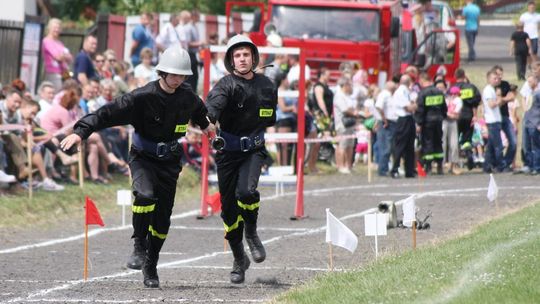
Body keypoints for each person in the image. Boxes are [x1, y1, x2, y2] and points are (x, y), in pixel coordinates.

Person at [60, 46, 213, 288]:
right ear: (161, 72)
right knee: (144, 195)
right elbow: (105, 113)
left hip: (171, 161)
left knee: (162, 221)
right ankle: (139, 245)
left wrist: (207, 128)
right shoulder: (141, 97)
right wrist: (81, 133)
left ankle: (151, 265)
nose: (178, 79)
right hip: (143, 157)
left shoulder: (188, 97)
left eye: (182, 76)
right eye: (173, 74)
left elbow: (201, 114)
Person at [205, 34, 277, 284]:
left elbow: (269, 119)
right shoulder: (225, 85)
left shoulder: (268, 86)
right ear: (231, 60)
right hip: (227, 153)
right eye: (237, 55)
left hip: (254, 151)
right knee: (228, 212)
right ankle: (239, 259)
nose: (242, 58)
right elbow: (211, 108)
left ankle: (253, 234)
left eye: (246, 54)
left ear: (254, 57)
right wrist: (209, 121)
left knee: (246, 192)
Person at [414, 74, 447, 175]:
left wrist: (418, 123)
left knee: (428, 143)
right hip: (438, 121)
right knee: (438, 142)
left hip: (427, 122)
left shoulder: (422, 93)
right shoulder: (439, 92)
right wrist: (442, 117)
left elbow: (420, 109)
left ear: (423, 81)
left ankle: (428, 166)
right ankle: (440, 167)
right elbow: (444, 107)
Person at [453, 68, 481, 170]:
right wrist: (475, 115)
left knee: (454, 139)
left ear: (455, 77)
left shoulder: (452, 88)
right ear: (464, 76)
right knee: (467, 139)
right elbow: (477, 101)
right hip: (468, 115)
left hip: (456, 117)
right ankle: (469, 154)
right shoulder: (471, 87)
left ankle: (454, 163)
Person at [390, 74, 417, 178]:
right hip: (402, 119)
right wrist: (416, 104)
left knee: (410, 146)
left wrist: (414, 105)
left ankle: (409, 170)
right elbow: (409, 107)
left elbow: (412, 105)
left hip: (409, 119)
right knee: (400, 145)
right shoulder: (401, 92)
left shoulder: (407, 91)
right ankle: (395, 169)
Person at [41, 18, 73, 92]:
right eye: (55, 28)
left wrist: (63, 56)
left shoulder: (59, 43)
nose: (57, 30)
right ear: (49, 28)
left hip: (65, 72)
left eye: (58, 28)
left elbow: (70, 58)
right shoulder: (46, 41)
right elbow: (58, 57)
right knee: (58, 92)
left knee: (69, 90)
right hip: (54, 72)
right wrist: (64, 56)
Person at [482, 70, 504, 173]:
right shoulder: (488, 90)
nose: (496, 80)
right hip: (492, 121)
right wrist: (499, 97)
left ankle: (487, 166)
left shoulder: (492, 89)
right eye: (494, 78)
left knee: (490, 145)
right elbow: (491, 104)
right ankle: (499, 165)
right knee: (498, 145)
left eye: (497, 78)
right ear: (489, 79)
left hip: (495, 120)